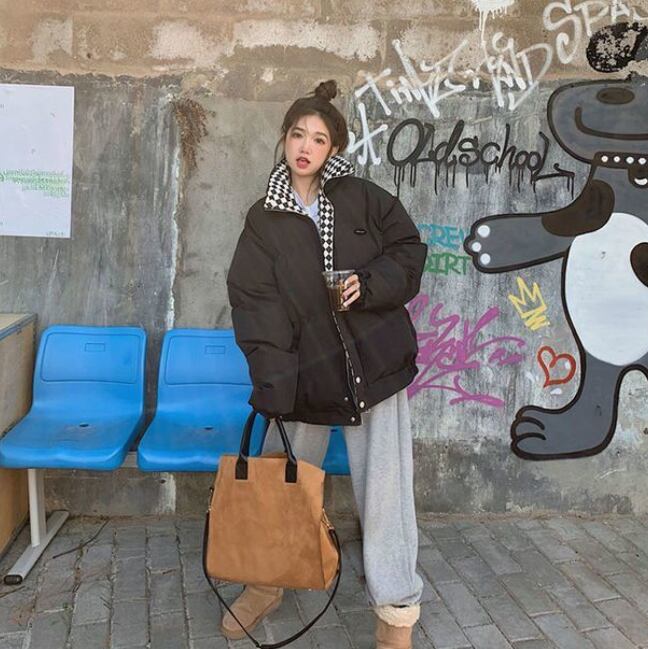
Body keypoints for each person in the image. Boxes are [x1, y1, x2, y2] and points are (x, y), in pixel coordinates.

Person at [225, 79, 428, 649]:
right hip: (304, 369)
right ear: (285, 139)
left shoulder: (362, 197)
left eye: (318, 138)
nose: (306, 147)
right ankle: (265, 583)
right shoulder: (264, 218)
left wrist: (370, 283)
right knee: (280, 482)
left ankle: (396, 613)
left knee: (386, 494)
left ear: (333, 148)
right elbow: (254, 299)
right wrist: (273, 378)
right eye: (298, 135)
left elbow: (409, 251)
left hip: (374, 365)